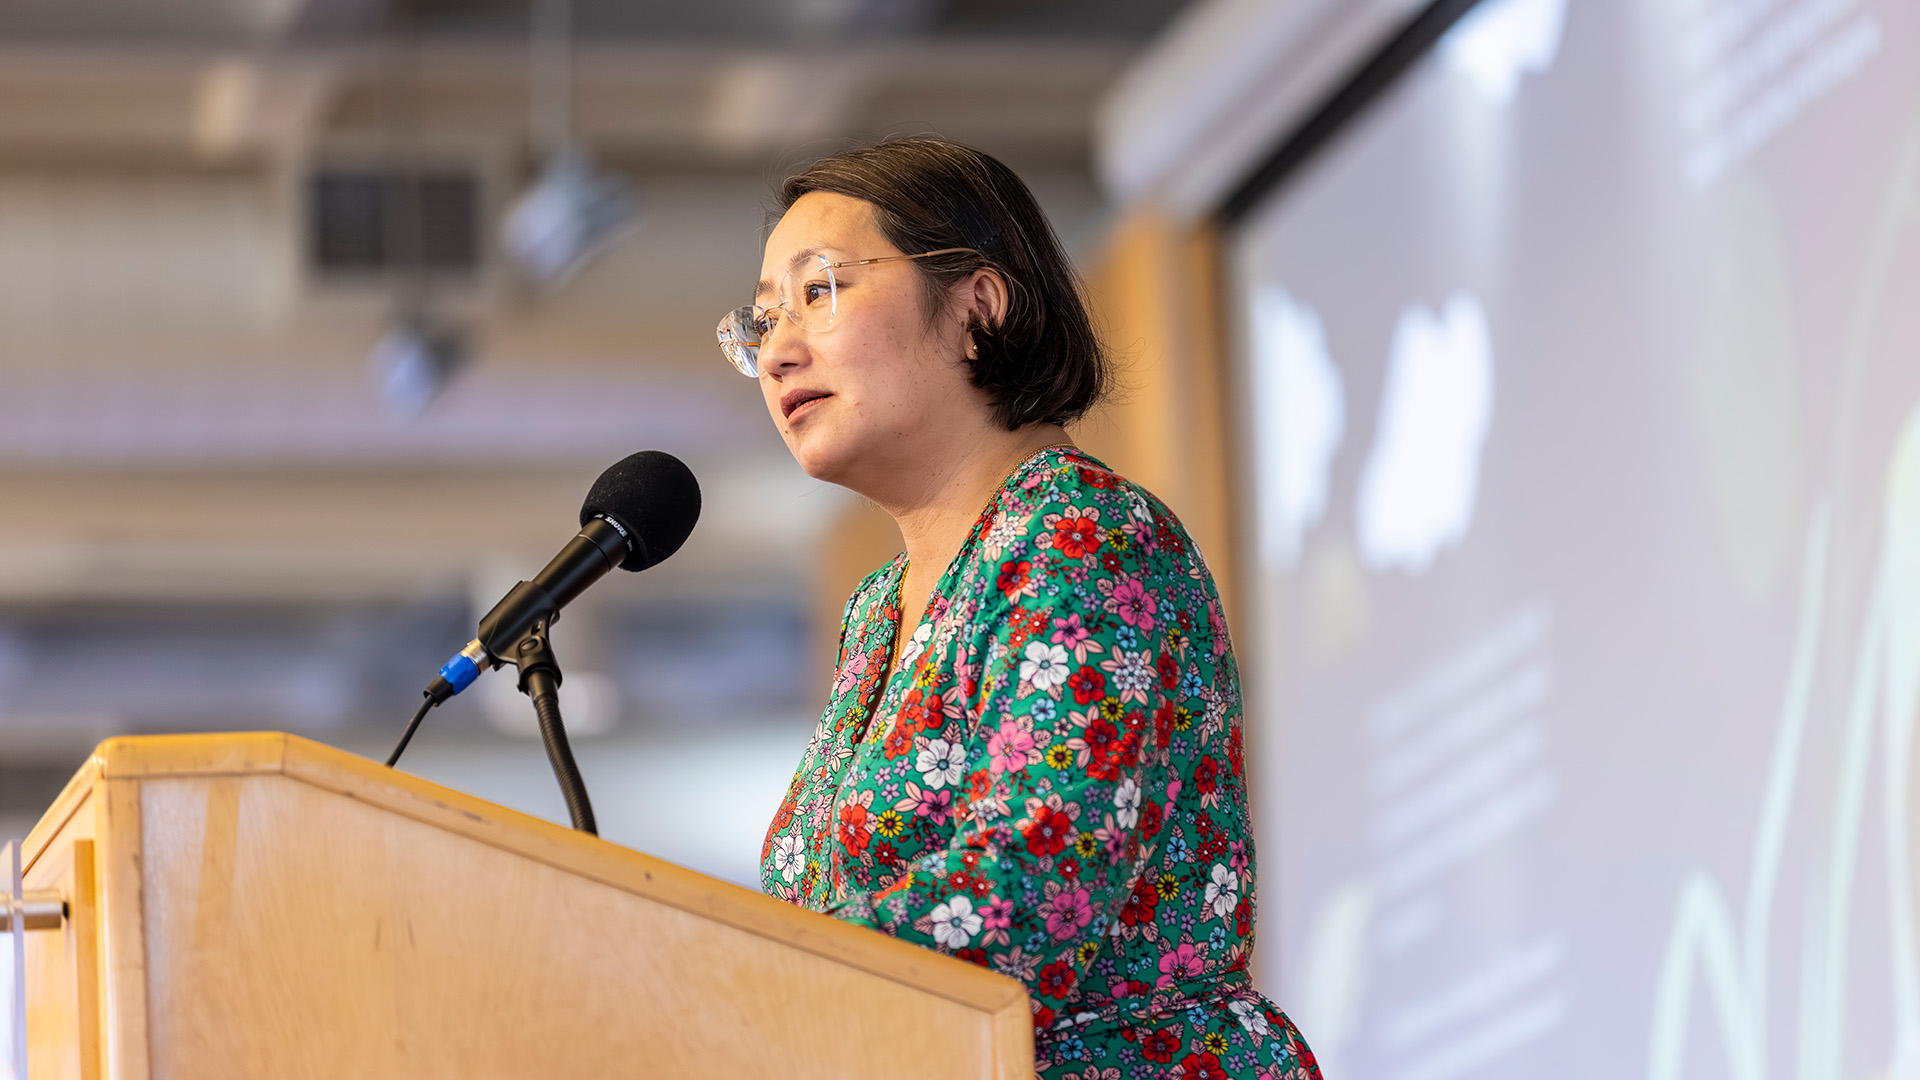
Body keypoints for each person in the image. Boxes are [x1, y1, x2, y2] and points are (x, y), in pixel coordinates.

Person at [722, 136, 1320, 1080]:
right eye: (760, 323)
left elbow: (1035, 879)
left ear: (979, 307)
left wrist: (730, 995)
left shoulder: (1083, 535)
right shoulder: (879, 611)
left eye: (819, 291)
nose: (779, 351)